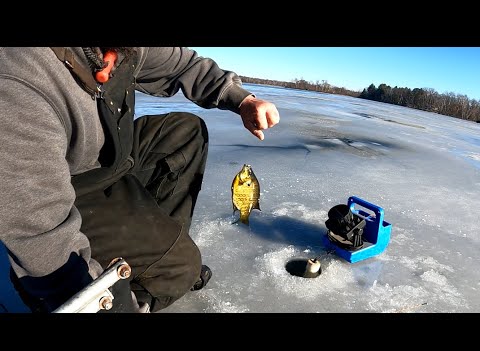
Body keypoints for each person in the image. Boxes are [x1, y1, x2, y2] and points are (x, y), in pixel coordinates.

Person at [0, 47, 280, 313]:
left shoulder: (120, 49)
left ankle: (162, 251)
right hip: (67, 190)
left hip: (107, 160)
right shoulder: (18, 78)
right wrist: (98, 299)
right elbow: (37, 232)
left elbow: (183, 65)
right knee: (180, 268)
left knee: (184, 132)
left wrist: (242, 99)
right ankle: (147, 282)